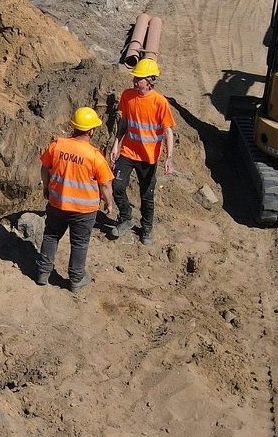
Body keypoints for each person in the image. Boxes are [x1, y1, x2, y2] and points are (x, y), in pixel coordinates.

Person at [36, 106, 115, 292]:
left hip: (57, 203)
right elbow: (105, 185)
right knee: (79, 243)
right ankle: (76, 279)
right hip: (83, 211)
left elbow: (44, 168)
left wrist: (46, 188)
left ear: (74, 126)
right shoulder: (95, 156)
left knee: (51, 236)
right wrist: (108, 203)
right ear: (91, 130)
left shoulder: (57, 145)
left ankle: (42, 272)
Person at [102, 58, 176, 246]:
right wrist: (116, 145)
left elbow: (168, 131)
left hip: (148, 158)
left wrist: (169, 157)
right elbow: (124, 123)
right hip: (128, 152)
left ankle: (147, 228)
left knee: (147, 195)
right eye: (135, 78)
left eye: (139, 78)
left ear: (150, 80)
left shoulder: (160, 103)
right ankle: (126, 217)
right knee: (117, 186)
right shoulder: (127, 95)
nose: (135, 81)